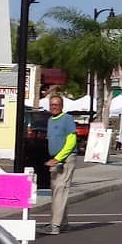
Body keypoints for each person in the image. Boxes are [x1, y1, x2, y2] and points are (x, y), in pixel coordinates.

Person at [43, 93, 78, 236]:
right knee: (57, 191)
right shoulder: (50, 120)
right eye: (52, 105)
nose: (54, 107)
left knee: (60, 189)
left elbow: (71, 141)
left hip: (66, 159)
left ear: (62, 106)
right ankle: (63, 223)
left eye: (56, 105)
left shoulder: (67, 119)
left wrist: (58, 158)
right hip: (55, 159)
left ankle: (55, 225)